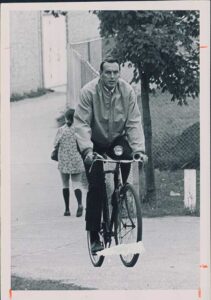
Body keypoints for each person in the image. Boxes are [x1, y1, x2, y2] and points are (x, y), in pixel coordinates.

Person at [74, 57, 146, 253]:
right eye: (108, 72)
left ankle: (120, 195)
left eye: (116, 72)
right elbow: (81, 123)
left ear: (119, 73)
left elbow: (133, 122)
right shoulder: (88, 92)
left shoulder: (127, 91)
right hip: (93, 142)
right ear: (101, 74)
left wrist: (139, 150)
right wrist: (87, 149)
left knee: (127, 158)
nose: (112, 76)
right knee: (96, 187)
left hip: (116, 140)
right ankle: (95, 235)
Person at [53, 108, 84, 217]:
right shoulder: (79, 130)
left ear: (66, 118)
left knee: (65, 184)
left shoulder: (61, 130)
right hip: (77, 160)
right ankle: (80, 204)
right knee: (77, 184)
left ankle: (67, 209)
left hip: (64, 161)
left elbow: (55, 143)